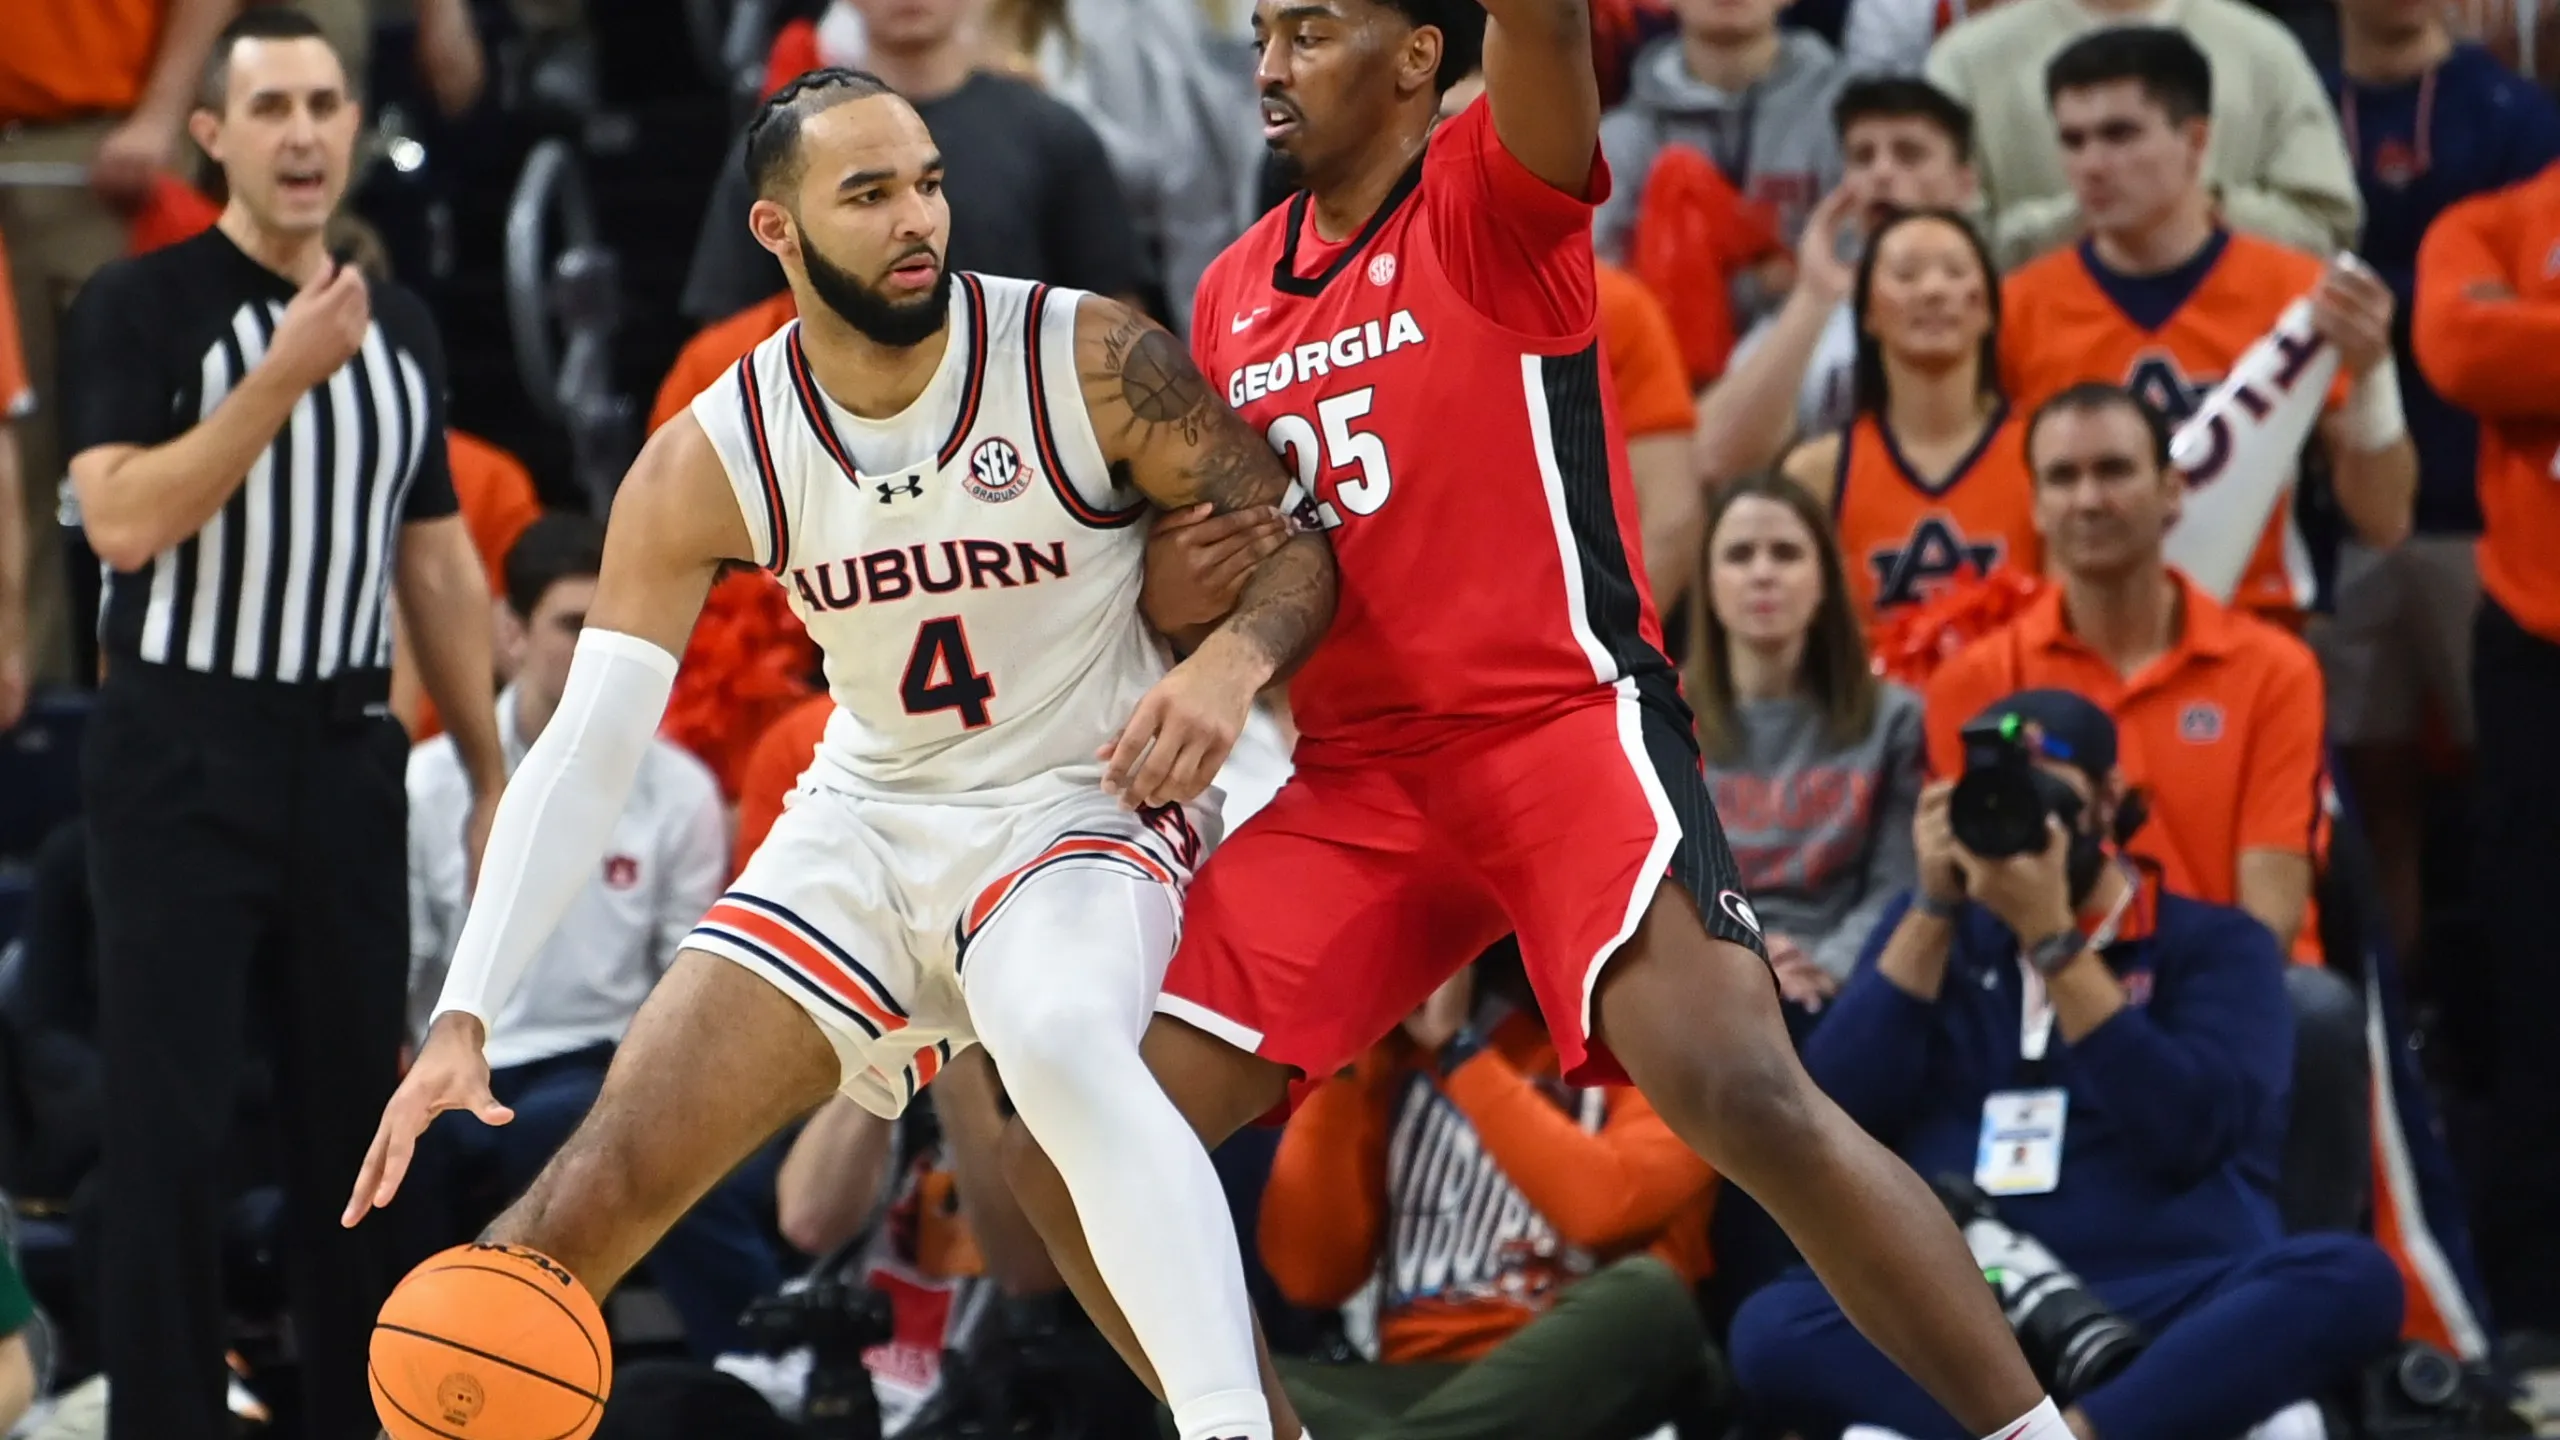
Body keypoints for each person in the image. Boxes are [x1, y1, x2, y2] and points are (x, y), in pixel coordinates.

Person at [999, 1, 2073, 1436]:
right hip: (1360, 780)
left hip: (1556, 725)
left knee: (1743, 1093)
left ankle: (2031, 1430)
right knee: (1067, 1148)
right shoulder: (1230, 292)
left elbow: (1549, 28)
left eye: (1310, 30)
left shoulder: (1497, 190)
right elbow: (1248, 560)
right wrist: (1194, 607)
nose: (1267, 65)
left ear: (1418, 55)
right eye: (1259, 31)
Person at [346, 68, 1337, 1440]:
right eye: (867, 194)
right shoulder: (711, 451)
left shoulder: (1089, 357)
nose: (916, 217)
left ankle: (1236, 1428)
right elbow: (583, 749)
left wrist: (1230, 664)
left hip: (1076, 796)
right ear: (778, 233)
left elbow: (1298, 550)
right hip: (867, 822)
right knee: (577, 1204)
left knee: (1052, 1037)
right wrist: (464, 1015)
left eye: (927, 182)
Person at [53, 14, 508, 1440]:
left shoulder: (404, 324)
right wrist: (277, 380)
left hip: (344, 753)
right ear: (217, 135)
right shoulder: (138, 306)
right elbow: (122, 522)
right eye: (273, 109)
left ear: (354, 123)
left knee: (353, 1132)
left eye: (326, 104)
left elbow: (433, 557)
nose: (305, 133)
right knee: (170, 1133)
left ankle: (364, 1416)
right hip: (179, 749)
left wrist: (492, 769)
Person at [1728, 689, 2405, 1440]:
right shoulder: (1927, 939)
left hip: (2169, 1288)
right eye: (1990, 796)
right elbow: (1831, 1122)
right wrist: (1930, 908)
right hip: (1974, 1304)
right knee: (1771, 1324)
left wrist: (2053, 940)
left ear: (2110, 801)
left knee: (2350, 1278)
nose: (2017, 821)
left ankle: (2073, 1431)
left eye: (2045, 795)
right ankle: (2109, 1423)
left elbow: (2189, 1130)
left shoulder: (2215, 945)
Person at [407, 514, 786, 1362]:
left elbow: (685, 985)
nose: (590, 652)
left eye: (606, 629)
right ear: (510, 632)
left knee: (603, 1129)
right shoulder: (428, 783)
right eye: (571, 626)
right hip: (453, 1067)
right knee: (378, 1157)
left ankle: (761, 1359)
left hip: (602, 1064)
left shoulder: (677, 789)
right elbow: (408, 967)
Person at [1998, 27, 2414, 627]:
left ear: (2196, 141)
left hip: (2255, 632)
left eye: (2120, 135)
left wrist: (2373, 375)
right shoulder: (2018, 306)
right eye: (2073, 141)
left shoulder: (2295, 292)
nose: (2091, 165)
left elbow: (2385, 518)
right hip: (2076, 641)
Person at [2315, 0, 2560, 973]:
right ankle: (2408, 1006)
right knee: (2373, 785)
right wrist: (2457, 313)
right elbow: (2460, 340)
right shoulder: (2303, 94)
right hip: (2343, 497)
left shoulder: (2507, 108)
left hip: (2477, 513)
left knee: (2486, 792)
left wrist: (2498, 325)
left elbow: (2471, 340)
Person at [1923, 384, 2327, 963]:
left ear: (2171, 491)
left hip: (2224, 996)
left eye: (2114, 471)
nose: (2088, 500)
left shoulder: (2274, 671)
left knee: (2316, 1010)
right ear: (2034, 506)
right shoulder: (1973, 682)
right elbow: (1980, 901)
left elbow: (2271, 918)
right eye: (2062, 478)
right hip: (2043, 985)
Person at [1257, 957, 1725, 1440]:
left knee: (1652, 1295)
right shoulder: (1385, 1057)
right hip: (1413, 1388)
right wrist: (1341, 1057)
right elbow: (1308, 1276)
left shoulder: (1659, 1047)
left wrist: (1460, 1052)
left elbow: (1607, 1209)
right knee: (1215, 1381)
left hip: (1583, 1375)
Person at [2411, 154, 2560, 1346]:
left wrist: (2536, 344)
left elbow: (2509, 351)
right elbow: (2461, 354)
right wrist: (2506, 345)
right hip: (2534, 655)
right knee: (2535, 981)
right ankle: (2538, 1305)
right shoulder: (2491, 217)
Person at [0, 0, 235, 690]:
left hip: (104, 145)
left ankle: (185, 685)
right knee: (15, 445)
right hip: (24, 154)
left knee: (157, 437)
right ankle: (27, 695)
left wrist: (163, 114)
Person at [681, 0, 1151, 325]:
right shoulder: (782, 145)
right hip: (835, 440)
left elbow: (1114, 317)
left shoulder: (1051, 131)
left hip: (1026, 433)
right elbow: (726, 335)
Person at [1694, 473, 1923, 1005]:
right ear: (1707, 583)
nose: (1763, 574)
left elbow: (1896, 887)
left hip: (1847, 988)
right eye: (1739, 555)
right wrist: (1746, 969)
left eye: (1786, 553)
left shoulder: (1895, 719)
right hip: (1708, 993)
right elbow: (1660, 901)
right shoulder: (1657, 723)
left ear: (1824, 580)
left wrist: (1825, 967)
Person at [1922, 0, 2358, 270]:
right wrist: (2089, 218)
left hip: (2244, 361)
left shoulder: (2263, 50)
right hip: (2033, 357)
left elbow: (2328, 232)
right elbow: (1934, 251)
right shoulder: (1966, 62)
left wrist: (2196, 209)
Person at [1695, 75, 1981, 484]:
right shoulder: (1806, 313)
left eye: (1909, 154)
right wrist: (1814, 295)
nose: (1881, 172)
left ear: (1965, 184)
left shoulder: (2007, 299)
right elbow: (1712, 458)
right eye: (1862, 157)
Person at [1776, 207, 2037, 641]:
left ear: (1988, 307)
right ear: (1867, 313)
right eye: (1906, 275)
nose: (1933, 290)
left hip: (2018, 707)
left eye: (1954, 272)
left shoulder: (2044, 457)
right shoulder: (1815, 474)